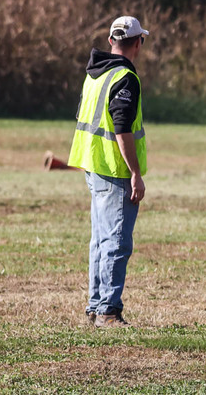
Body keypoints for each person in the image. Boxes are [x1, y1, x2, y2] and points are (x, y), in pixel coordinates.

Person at [68, 16, 149, 328]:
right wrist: (135, 172)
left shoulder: (95, 73)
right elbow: (122, 128)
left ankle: (96, 305)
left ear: (112, 40)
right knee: (116, 241)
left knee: (101, 240)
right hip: (114, 168)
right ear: (137, 42)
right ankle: (108, 311)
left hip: (92, 164)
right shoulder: (125, 77)